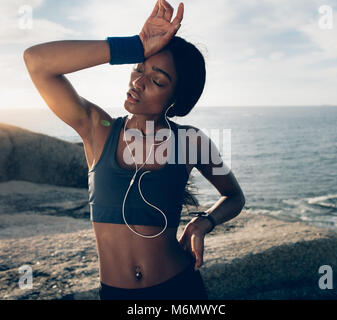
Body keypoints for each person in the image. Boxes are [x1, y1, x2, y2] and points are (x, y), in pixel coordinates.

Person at [23, 0, 245, 300]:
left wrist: (203, 222)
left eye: (156, 80)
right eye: (138, 68)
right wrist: (133, 46)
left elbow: (234, 196)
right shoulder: (98, 128)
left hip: (180, 290)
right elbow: (36, 61)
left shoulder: (191, 142)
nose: (138, 82)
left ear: (176, 98)